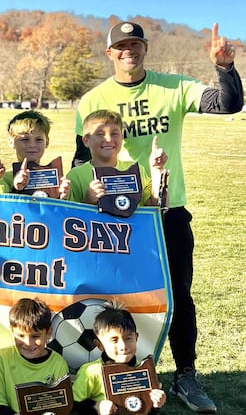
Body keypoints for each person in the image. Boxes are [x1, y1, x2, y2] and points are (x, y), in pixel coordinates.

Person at [73, 23, 241, 413]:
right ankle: (114, 375)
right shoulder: (93, 99)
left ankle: (185, 374)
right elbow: (81, 161)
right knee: (109, 297)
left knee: (179, 296)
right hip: (110, 220)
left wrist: (225, 68)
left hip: (164, 211)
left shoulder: (173, 86)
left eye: (135, 44)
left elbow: (228, 104)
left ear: (144, 49)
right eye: (121, 46)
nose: (128, 50)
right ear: (110, 53)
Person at [72, 303, 166, 415]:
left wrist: (156, 404)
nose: (123, 346)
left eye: (128, 338)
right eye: (114, 340)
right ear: (99, 345)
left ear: (136, 338)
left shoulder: (144, 371)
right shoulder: (91, 372)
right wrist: (96, 407)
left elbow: (147, 409)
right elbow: (73, 405)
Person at [0, 298, 69, 415]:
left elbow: (61, 407)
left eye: (35, 336)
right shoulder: (0, 360)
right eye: (21, 335)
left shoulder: (58, 364)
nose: (28, 343)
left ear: (48, 333)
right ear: (12, 332)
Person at [67, 110, 166, 206]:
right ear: (86, 140)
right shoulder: (75, 176)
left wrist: (157, 170)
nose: (109, 139)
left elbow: (156, 205)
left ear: (122, 138)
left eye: (114, 134)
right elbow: (67, 216)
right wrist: (88, 200)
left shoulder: (136, 170)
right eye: (100, 134)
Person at [0, 110, 69, 197]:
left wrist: (62, 198)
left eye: (39, 140)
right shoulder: (3, 178)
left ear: (47, 142)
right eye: (25, 140)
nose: (32, 145)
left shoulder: (54, 178)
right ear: (11, 142)